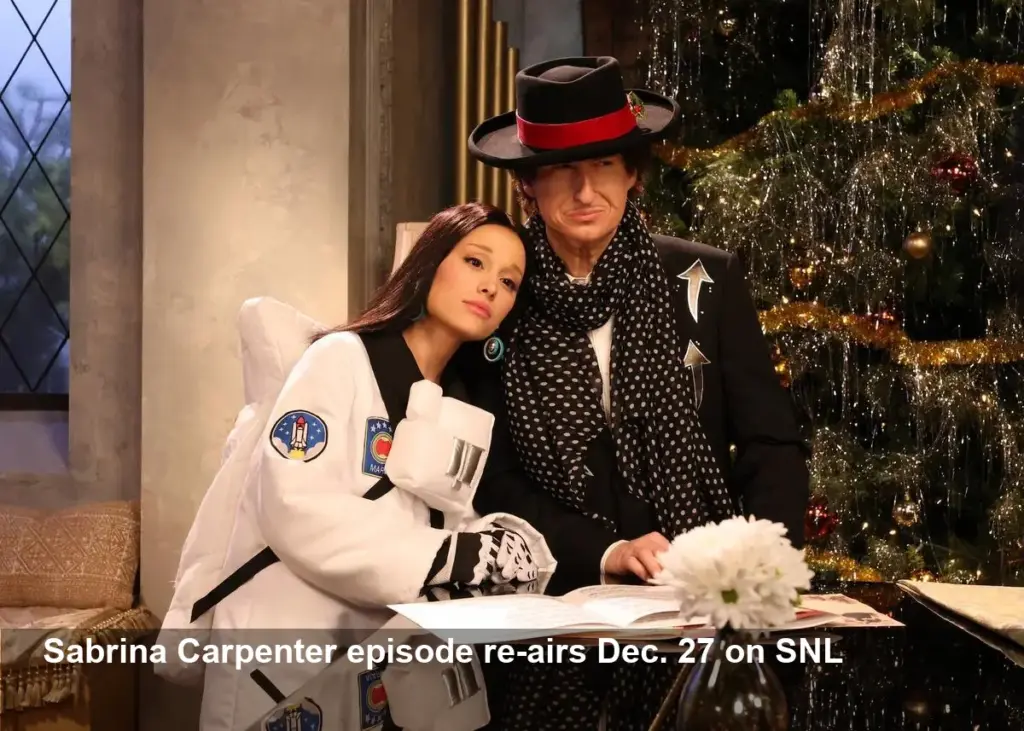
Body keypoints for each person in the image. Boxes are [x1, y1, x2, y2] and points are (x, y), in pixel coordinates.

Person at [465, 56, 810, 730]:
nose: (584, 189)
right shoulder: (500, 294)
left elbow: (770, 442)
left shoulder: (705, 279)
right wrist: (603, 550)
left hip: (699, 613)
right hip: (552, 611)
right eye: (561, 168)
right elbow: (492, 477)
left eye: (603, 164)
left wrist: (761, 571)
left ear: (632, 172)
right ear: (528, 184)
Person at [189, 202, 553, 731]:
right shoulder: (340, 357)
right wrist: (449, 556)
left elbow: (441, 524)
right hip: (287, 653)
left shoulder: (461, 406)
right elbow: (295, 505)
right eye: (475, 262)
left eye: (509, 281)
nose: (490, 287)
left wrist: (502, 546)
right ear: (430, 261)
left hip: (381, 666)